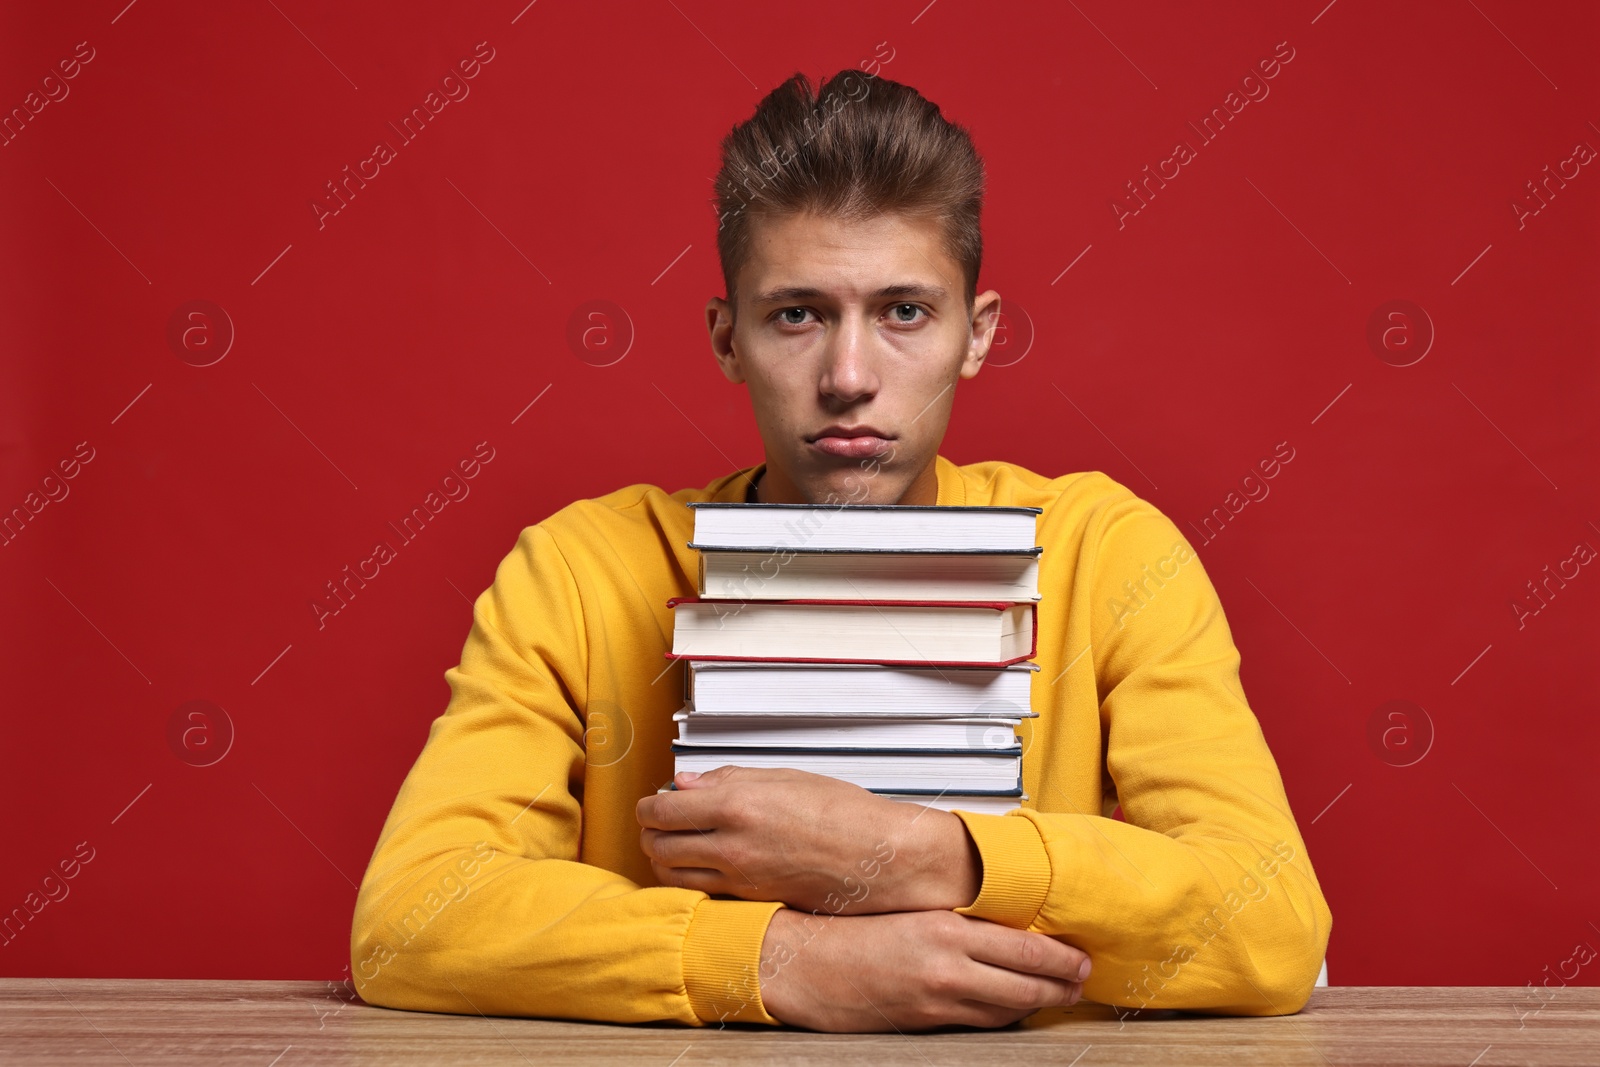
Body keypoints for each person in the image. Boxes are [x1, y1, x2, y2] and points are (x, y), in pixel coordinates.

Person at [349, 68, 1332, 1033]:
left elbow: (1271, 923)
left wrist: (924, 853)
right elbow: (410, 919)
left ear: (975, 334)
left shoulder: (1107, 553)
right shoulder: (580, 571)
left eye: (904, 311)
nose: (848, 377)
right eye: (797, 314)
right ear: (727, 339)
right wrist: (786, 961)